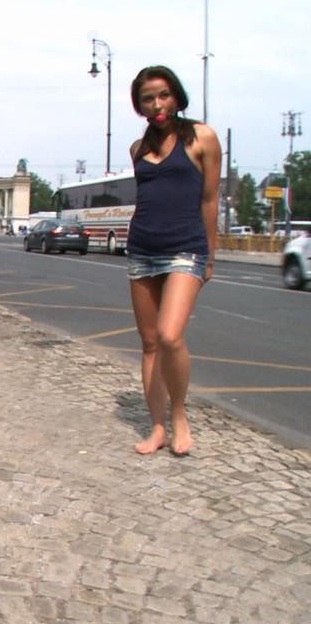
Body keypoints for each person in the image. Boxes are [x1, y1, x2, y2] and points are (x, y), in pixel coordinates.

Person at [125, 66, 221, 457]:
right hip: (142, 248)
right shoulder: (138, 149)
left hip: (186, 248)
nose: (157, 104)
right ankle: (158, 428)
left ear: (177, 97)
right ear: (141, 106)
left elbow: (210, 198)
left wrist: (210, 256)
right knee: (149, 344)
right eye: (148, 98)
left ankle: (180, 416)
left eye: (163, 95)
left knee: (169, 336)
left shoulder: (202, 137)